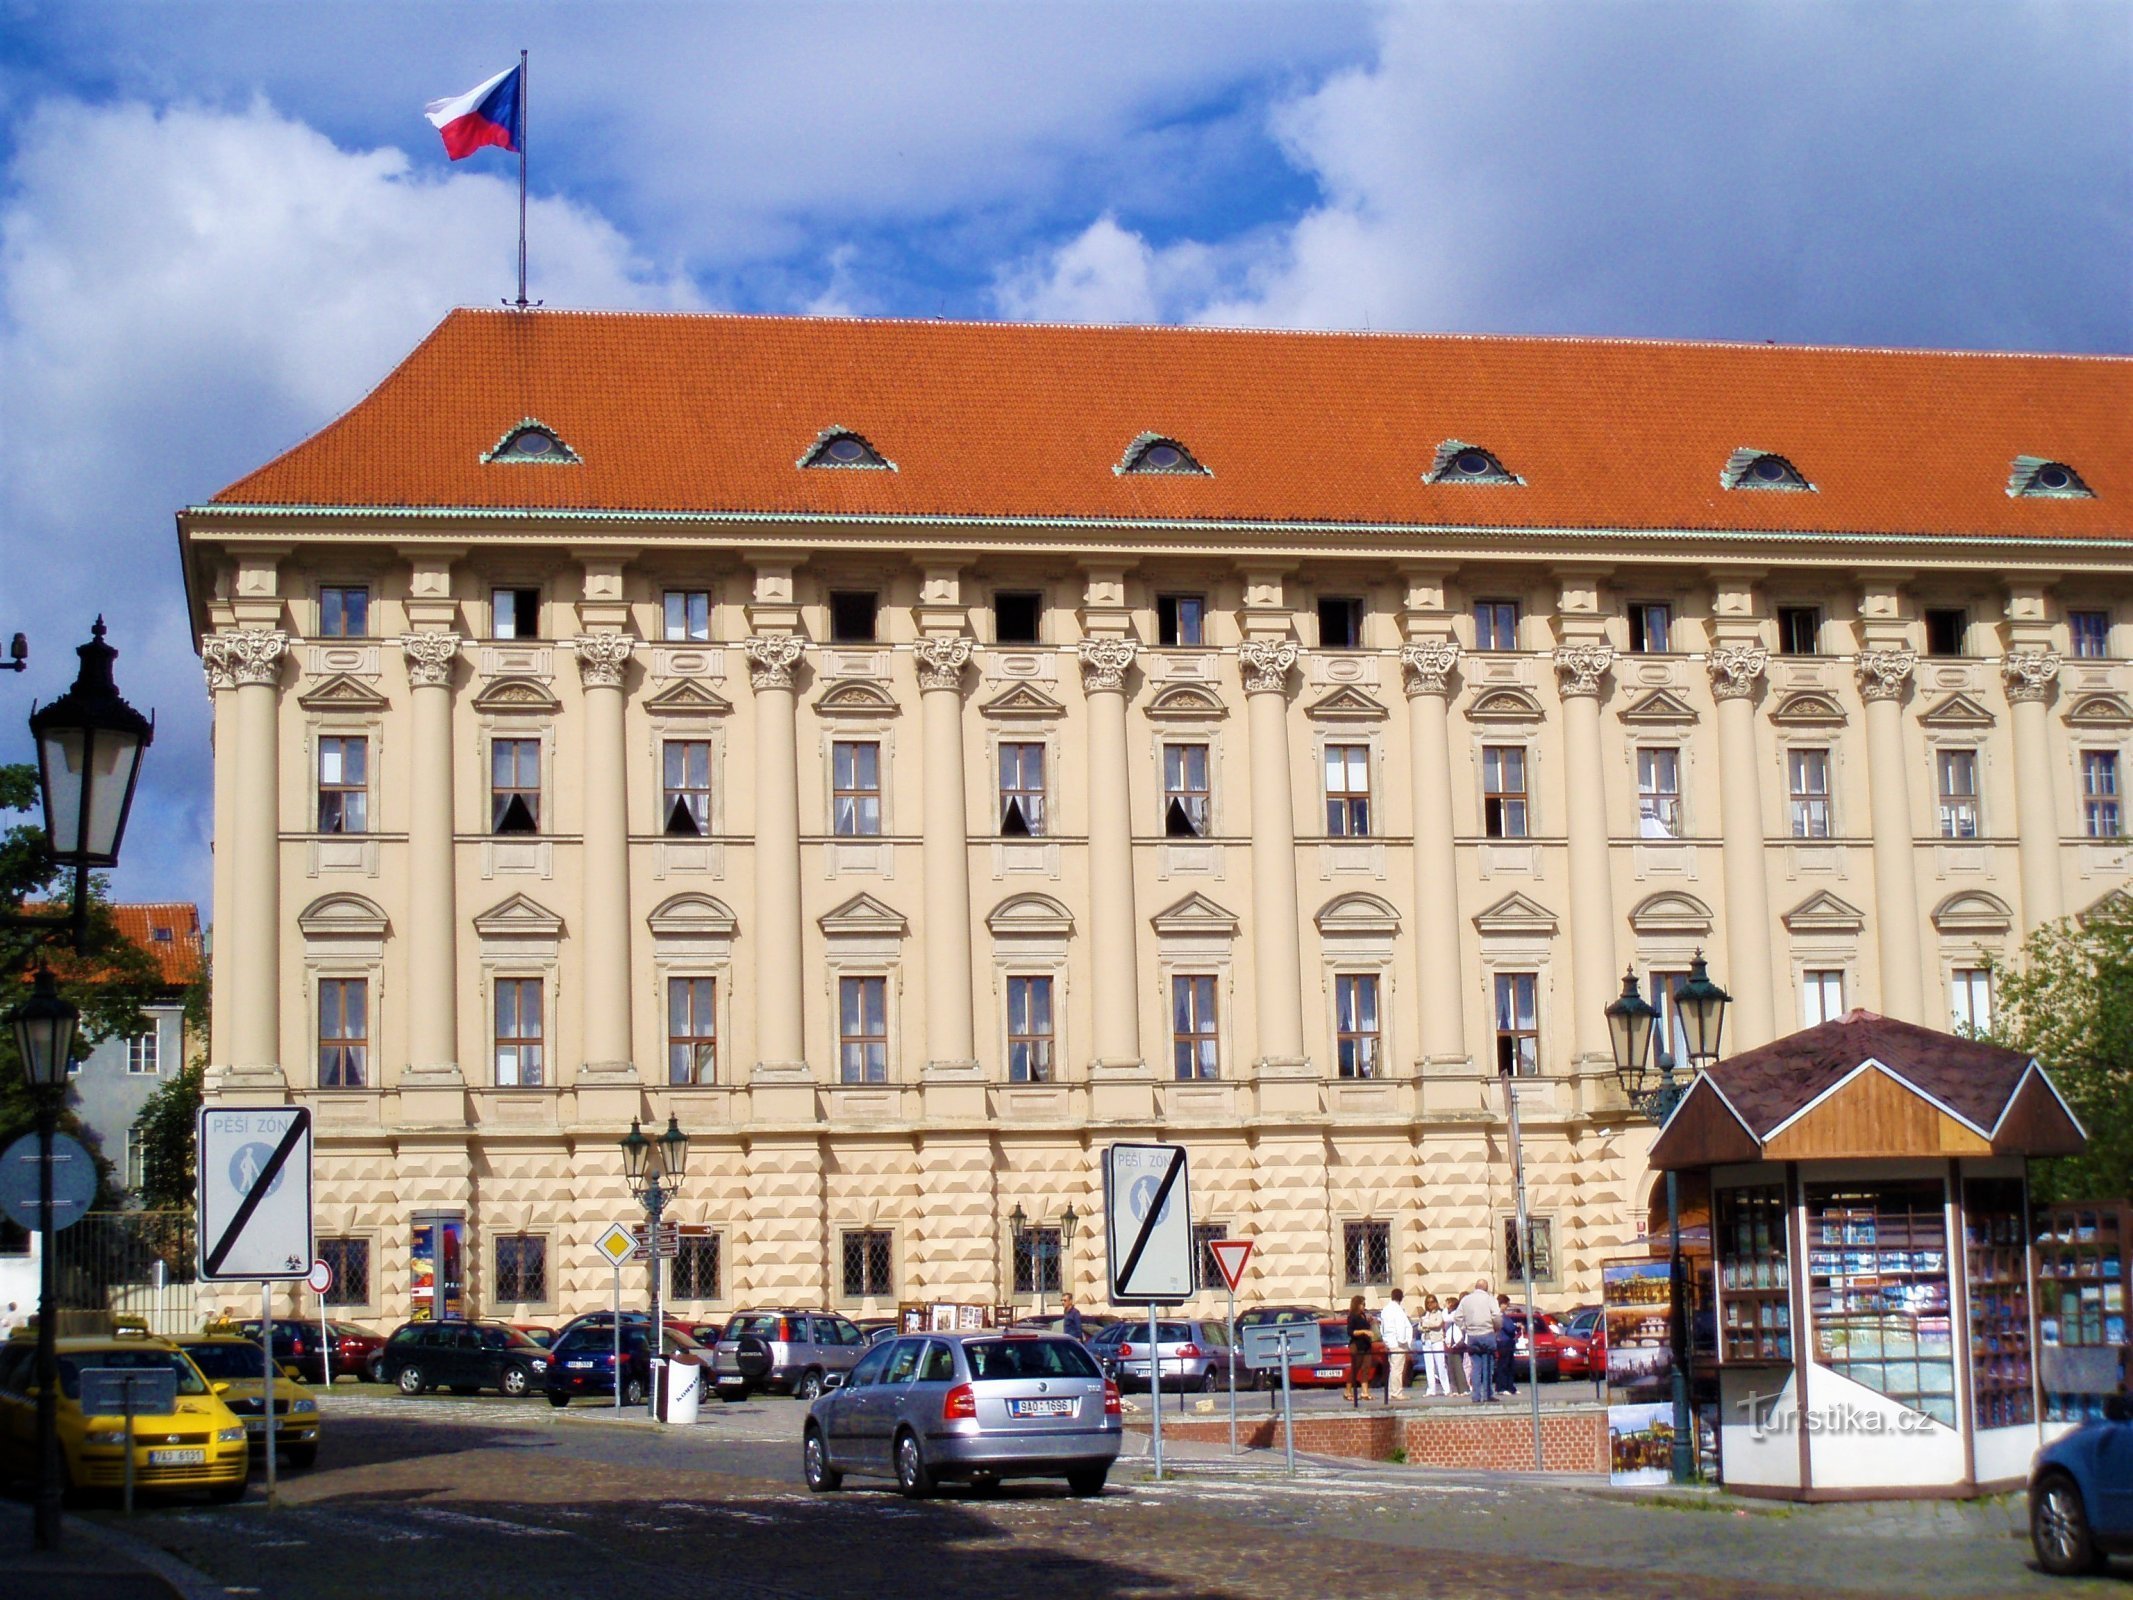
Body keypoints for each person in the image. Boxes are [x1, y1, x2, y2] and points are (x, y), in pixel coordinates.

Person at [1454, 1279, 1501, 1403]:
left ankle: (1475, 1395)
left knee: (1476, 1366)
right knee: (1488, 1365)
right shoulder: (1489, 1299)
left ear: (1475, 1287)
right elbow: (1496, 1315)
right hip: (1487, 1333)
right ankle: (1488, 1394)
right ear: (1486, 1288)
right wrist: (1496, 1328)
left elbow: (1457, 1317)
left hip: (1472, 1335)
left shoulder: (1466, 1300)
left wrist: (1465, 1327)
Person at [1378, 1288, 1414, 1404]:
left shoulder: (1386, 1310)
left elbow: (1382, 1327)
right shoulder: (1397, 1310)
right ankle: (1397, 1393)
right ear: (1401, 1298)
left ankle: (1392, 1391)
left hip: (1389, 1342)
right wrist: (1403, 1341)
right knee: (1397, 1369)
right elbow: (1401, 1326)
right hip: (1398, 1343)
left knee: (1393, 1368)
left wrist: (1385, 1340)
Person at [1343, 1294, 1376, 1407]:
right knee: (1355, 1368)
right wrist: (1363, 1331)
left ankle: (1365, 1392)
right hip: (1357, 1345)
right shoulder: (1352, 1316)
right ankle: (1347, 1391)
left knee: (1366, 1367)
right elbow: (1351, 1332)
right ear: (1357, 1304)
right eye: (1362, 1304)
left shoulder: (1363, 1315)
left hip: (1366, 1344)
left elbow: (1366, 1327)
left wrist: (1370, 1323)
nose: (1364, 1306)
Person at [1417, 1293, 1451, 1396]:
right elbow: (1419, 1327)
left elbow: (1437, 1324)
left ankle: (1446, 1389)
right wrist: (1425, 1325)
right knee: (1429, 1366)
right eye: (1428, 1302)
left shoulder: (1439, 1313)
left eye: (1432, 1302)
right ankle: (1431, 1389)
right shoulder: (1424, 1314)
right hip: (1426, 1341)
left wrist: (1426, 1324)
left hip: (1437, 1340)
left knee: (1440, 1365)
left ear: (1436, 1303)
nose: (1430, 1304)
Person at [1443, 1291, 1468, 1395]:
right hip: (1450, 1342)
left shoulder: (1456, 1313)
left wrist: (1444, 1308)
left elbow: (1445, 1318)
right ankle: (1455, 1389)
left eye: (1447, 1303)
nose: (1446, 1305)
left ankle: (1463, 1389)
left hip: (1457, 1342)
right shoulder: (1450, 1314)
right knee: (1451, 1367)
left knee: (1458, 1366)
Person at [1495, 1294, 1520, 1396]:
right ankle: (1501, 1387)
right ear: (1501, 1304)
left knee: (1510, 1366)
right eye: (1506, 1304)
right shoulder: (1499, 1315)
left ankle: (1510, 1387)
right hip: (1503, 1342)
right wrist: (1516, 1326)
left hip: (1509, 1342)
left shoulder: (1504, 1315)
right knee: (1503, 1366)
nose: (1507, 1307)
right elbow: (1509, 1327)